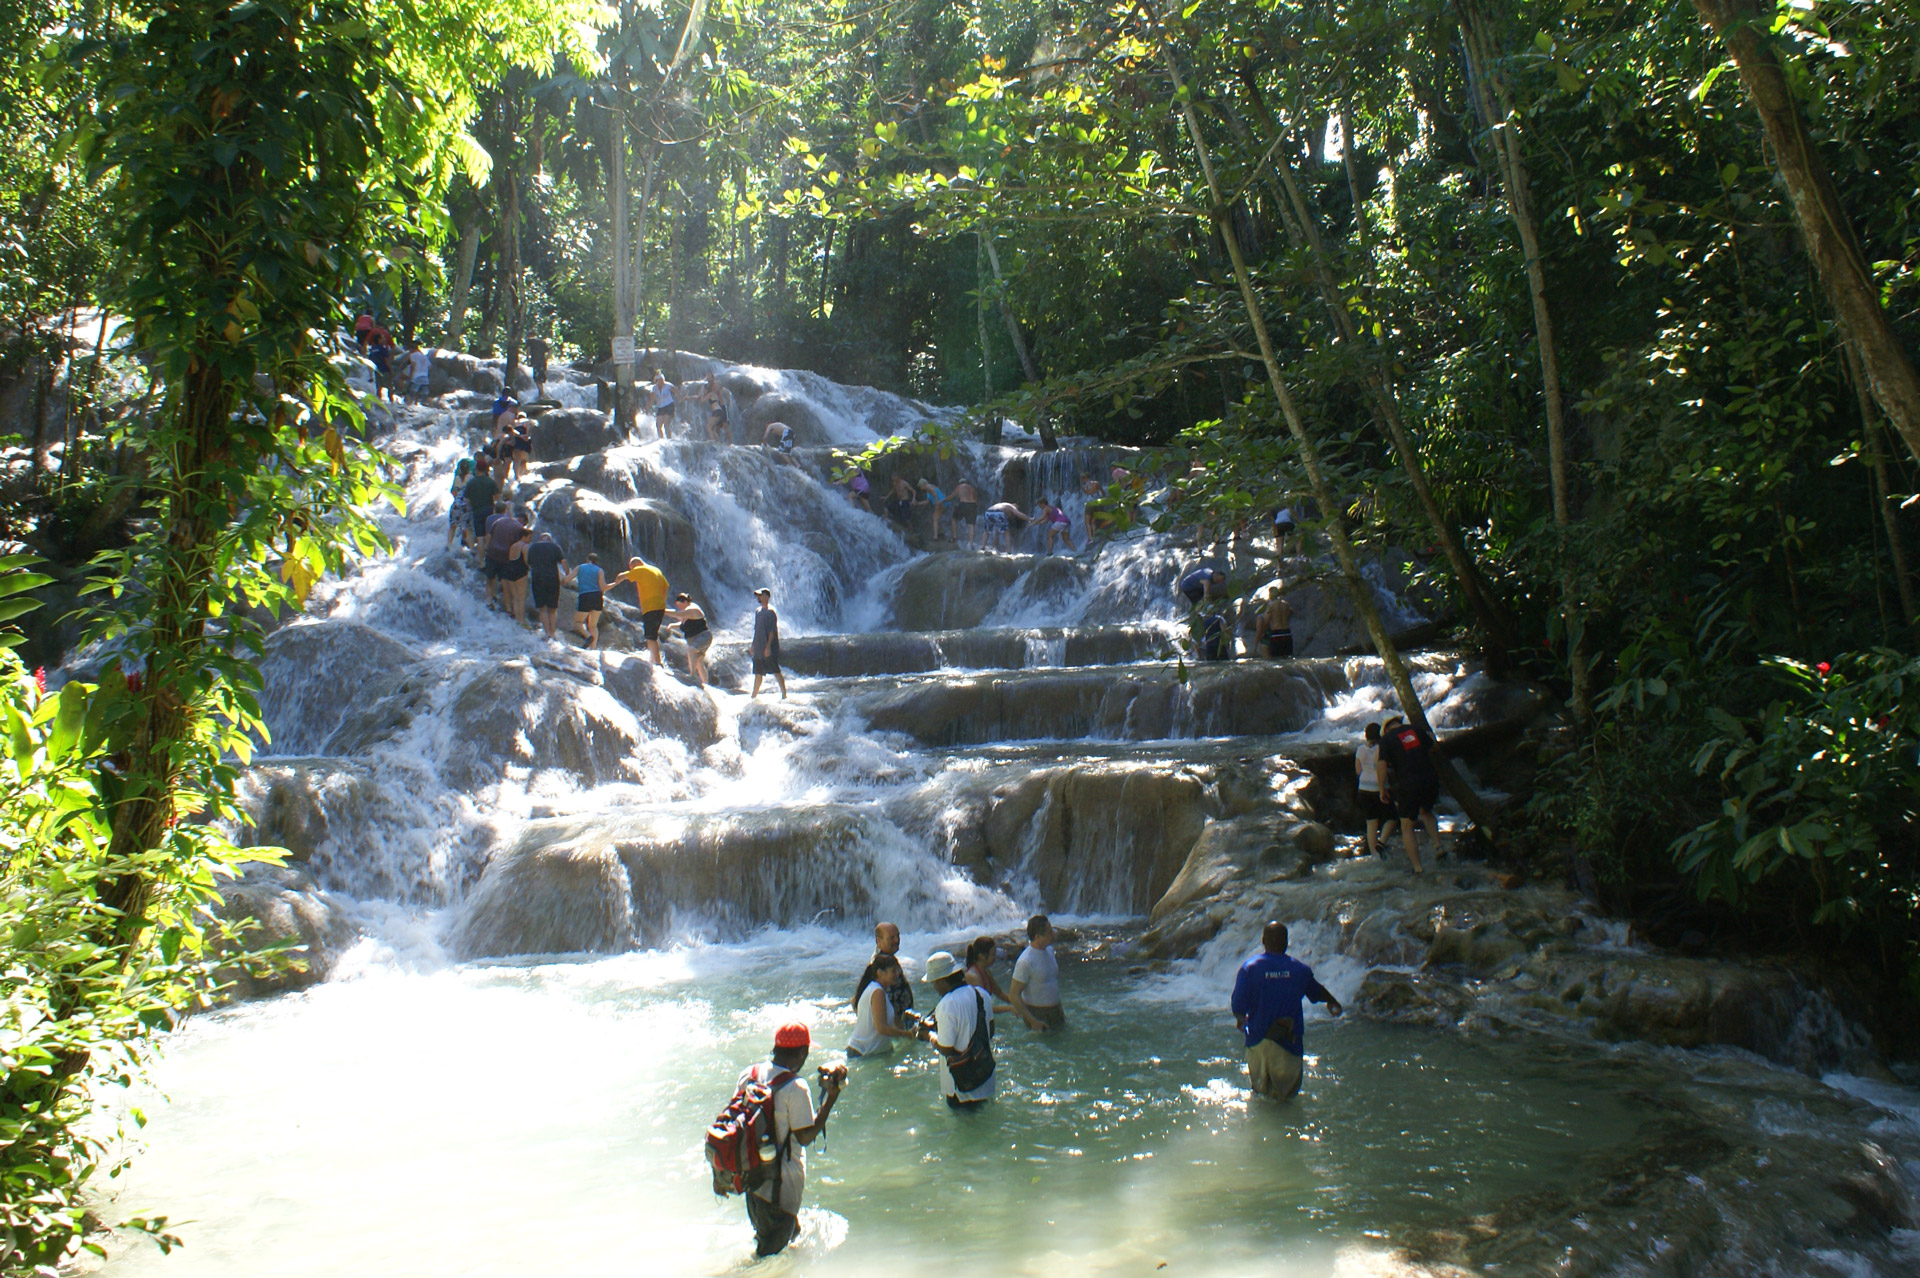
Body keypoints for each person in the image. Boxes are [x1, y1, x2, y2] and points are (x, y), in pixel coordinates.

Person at [736, 1023, 843, 1257]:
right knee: (768, 1256)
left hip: (753, 1179)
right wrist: (831, 1098)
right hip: (781, 1187)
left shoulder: (750, 1074)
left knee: (780, 1240)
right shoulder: (796, 1086)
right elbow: (805, 1136)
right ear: (802, 1053)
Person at [1231, 921, 1343, 1101]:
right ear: (1286, 942)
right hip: (1288, 1044)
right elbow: (1317, 991)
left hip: (1257, 1042)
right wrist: (1332, 1001)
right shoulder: (1300, 970)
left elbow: (1237, 1005)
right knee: (1285, 1101)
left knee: (1260, 1097)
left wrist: (1240, 1019)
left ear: (1263, 941)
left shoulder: (1250, 968)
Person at [915, 951, 996, 1109]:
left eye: (934, 982)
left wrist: (929, 1035)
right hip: (986, 1079)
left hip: (961, 1086)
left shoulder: (947, 1004)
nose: (934, 987)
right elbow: (989, 1031)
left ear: (942, 980)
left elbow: (946, 1048)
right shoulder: (982, 994)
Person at [1378, 714, 1443, 874]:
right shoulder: (1417, 730)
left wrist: (1382, 788)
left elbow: (1382, 765)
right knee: (1426, 811)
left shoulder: (1386, 740)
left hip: (1407, 783)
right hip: (1430, 778)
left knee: (1407, 825)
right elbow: (1434, 747)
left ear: (1386, 729)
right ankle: (1438, 846)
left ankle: (1417, 867)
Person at [848, 954, 921, 1059]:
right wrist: (907, 1034)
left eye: (898, 970)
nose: (897, 974)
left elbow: (890, 1020)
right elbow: (881, 1028)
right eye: (893, 971)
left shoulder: (876, 989)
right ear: (880, 973)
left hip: (866, 1053)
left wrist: (905, 1023)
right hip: (862, 1054)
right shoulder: (878, 992)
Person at [1008, 914, 1065, 1031]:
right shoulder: (1026, 961)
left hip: (1056, 1010)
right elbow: (1014, 995)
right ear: (1038, 937)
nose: (1053, 934)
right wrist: (1032, 1020)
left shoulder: (1049, 950)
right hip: (1037, 1013)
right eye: (1049, 932)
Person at [615, 556, 670, 665]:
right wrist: (662, 600)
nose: (632, 571)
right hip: (660, 606)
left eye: (632, 568)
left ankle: (658, 663)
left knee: (650, 636)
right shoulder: (656, 570)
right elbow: (666, 586)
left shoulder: (640, 570)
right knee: (652, 634)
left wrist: (615, 583)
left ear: (635, 564)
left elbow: (621, 576)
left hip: (650, 606)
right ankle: (653, 660)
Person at [864, 922, 916, 1024]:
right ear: (878, 941)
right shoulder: (877, 964)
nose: (897, 940)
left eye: (898, 936)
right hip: (895, 1027)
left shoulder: (887, 959)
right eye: (891, 938)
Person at [664, 591, 713, 688]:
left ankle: (692, 676)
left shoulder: (693, 609)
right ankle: (706, 685)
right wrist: (673, 625)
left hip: (703, 637)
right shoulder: (687, 614)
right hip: (699, 639)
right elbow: (684, 625)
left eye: (680, 605)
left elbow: (676, 614)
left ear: (685, 602)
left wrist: (661, 611)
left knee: (691, 650)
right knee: (699, 662)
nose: (679, 608)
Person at [525, 530, 568, 641]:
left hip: (538, 578)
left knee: (542, 608)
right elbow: (563, 562)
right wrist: (568, 576)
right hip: (552, 579)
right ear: (550, 539)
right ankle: (553, 632)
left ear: (540, 539)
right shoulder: (555, 547)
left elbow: (528, 563)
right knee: (552, 608)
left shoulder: (533, 547)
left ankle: (547, 632)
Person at [1355, 722, 1389, 858]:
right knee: (1392, 818)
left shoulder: (1360, 749)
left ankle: (1374, 855)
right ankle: (1381, 842)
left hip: (1363, 788)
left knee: (1371, 823)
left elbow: (1358, 770)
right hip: (1379, 787)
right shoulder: (1382, 748)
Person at [481, 500, 522, 609]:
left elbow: (488, 536)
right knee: (504, 580)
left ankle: (489, 600)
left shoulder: (493, 520)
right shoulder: (517, 526)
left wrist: (486, 548)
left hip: (493, 553)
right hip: (505, 556)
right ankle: (508, 607)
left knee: (490, 578)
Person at [750, 586, 786, 699]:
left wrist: (768, 647)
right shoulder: (758, 611)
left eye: (760, 595)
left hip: (769, 647)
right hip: (759, 646)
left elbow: (772, 630)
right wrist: (753, 645)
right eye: (758, 596)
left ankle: (784, 694)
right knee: (758, 673)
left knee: (775, 670)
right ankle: (753, 696)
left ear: (766, 597)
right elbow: (756, 629)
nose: (758, 597)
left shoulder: (771, 612)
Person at [565, 553, 605, 649]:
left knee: (577, 622)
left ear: (587, 559)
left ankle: (588, 636)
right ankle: (593, 649)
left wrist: (562, 582)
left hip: (585, 596)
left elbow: (567, 579)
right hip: (597, 597)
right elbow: (602, 587)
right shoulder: (599, 570)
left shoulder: (580, 567)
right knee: (593, 625)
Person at [963, 936, 1013, 1013]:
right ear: (981, 956)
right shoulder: (973, 976)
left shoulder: (986, 971)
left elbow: (999, 993)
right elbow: (983, 1008)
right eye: (992, 954)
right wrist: (1009, 1008)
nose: (995, 957)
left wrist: (1018, 1003)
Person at [462, 457, 499, 548]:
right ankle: (488, 553)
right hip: (490, 510)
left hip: (477, 510)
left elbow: (466, 500)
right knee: (489, 533)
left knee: (480, 537)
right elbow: (497, 498)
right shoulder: (491, 482)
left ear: (477, 469)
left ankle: (481, 560)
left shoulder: (471, 483)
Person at [500, 525, 533, 624]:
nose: (530, 540)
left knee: (514, 597)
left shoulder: (513, 545)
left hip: (510, 569)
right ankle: (521, 620)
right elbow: (527, 561)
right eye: (530, 537)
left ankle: (515, 619)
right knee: (521, 597)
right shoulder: (525, 546)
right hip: (520, 570)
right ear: (525, 536)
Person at [1254, 584, 1293, 658]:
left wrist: (1263, 631)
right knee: (1288, 657)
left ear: (1270, 594)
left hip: (1276, 632)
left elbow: (1266, 620)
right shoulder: (1286, 604)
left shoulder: (1271, 605)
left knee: (1277, 659)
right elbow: (1291, 612)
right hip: (1287, 632)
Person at [446, 457, 474, 552]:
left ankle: (448, 545)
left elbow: (453, 491)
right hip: (466, 505)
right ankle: (471, 549)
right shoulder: (470, 477)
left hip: (455, 504)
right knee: (468, 527)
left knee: (453, 526)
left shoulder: (457, 478)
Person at [950, 479, 980, 549]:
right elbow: (976, 501)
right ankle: (971, 544)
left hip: (964, 504)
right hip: (973, 505)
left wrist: (943, 500)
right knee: (971, 525)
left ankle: (954, 538)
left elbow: (952, 496)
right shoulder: (973, 488)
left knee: (954, 519)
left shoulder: (960, 487)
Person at [703, 372, 730, 443]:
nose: (708, 379)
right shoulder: (708, 387)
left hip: (722, 406)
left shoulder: (716, 384)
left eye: (709, 378)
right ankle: (718, 442)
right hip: (715, 408)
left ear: (713, 378)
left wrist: (707, 390)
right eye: (707, 378)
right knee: (715, 427)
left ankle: (730, 443)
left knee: (725, 425)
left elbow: (715, 392)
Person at [367, 332, 393, 403]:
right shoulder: (382, 349)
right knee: (389, 387)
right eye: (383, 338)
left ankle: (379, 402)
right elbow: (386, 360)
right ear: (379, 339)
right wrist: (391, 370)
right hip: (385, 370)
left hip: (377, 371)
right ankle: (391, 402)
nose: (384, 339)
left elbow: (370, 362)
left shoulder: (372, 349)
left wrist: (370, 375)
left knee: (379, 388)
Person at [650, 369, 676, 439]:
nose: (661, 381)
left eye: (662, 380)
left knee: (666, 424)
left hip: (669, 405)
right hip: (660, 406)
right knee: (658, 425)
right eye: (659, 380)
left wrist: (682, 398)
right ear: (657, 381)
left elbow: (676, 392)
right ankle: (661, 440)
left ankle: (669, 440)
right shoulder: (654, 388)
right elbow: (651, 398)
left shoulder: (668, 386)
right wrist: (647, 407)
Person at [406, 339, 432, 405]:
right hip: (425, 377)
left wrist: (411, 377)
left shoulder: (413, 355)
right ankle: (418, 404)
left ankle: (409, 405)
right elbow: (429, 367)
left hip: (416, 377)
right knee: (423, 394)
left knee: (411, 393)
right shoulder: (424, 356)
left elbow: (413, 365)